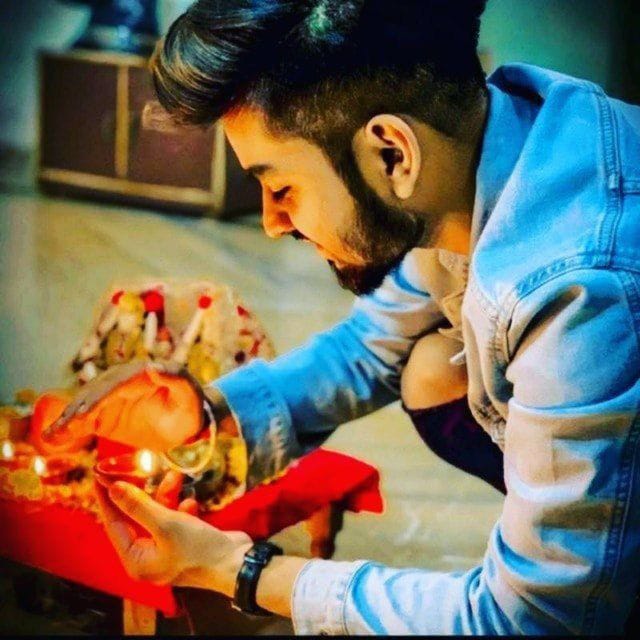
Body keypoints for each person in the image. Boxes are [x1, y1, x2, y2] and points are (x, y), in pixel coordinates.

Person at [52, 0, 640, 634]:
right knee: (429, 367)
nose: (272, 223)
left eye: (281, 188)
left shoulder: (580, 291)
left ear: (391, 154)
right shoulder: (485, 146)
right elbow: (369, 347)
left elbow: (529, 620)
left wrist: (236, 569)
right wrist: (207, 409)